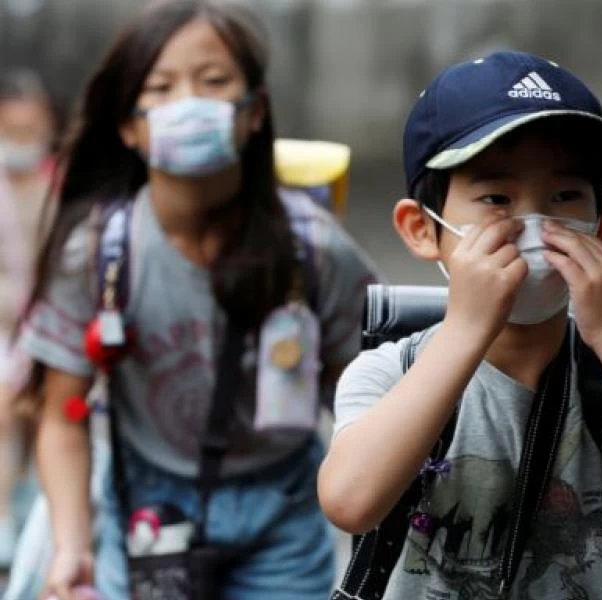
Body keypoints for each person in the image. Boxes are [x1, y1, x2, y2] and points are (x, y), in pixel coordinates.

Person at [318, 50, 602, 600]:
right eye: (496, 199)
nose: (535, 225)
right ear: (421, 228)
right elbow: (349, 502)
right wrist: (464, 330)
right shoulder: (390, 371)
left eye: (565, 197)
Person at [16, 1, 379, 599]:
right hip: (146, 513)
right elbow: (62, 415)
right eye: (161, 87)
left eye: (212, 82)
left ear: (254, 111)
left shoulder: (315, 253)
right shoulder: (99, 255)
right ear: (129, 125)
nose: (188, 102)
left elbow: (367, 400)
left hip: (282, 517)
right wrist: (72, 545)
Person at [0, 67, 59, 569]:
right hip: (3, 331)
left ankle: (45, 527)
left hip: (51, 327)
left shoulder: (59, 188)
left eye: (30, 132)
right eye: (11, 133)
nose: (21, 143)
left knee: (52, 414)